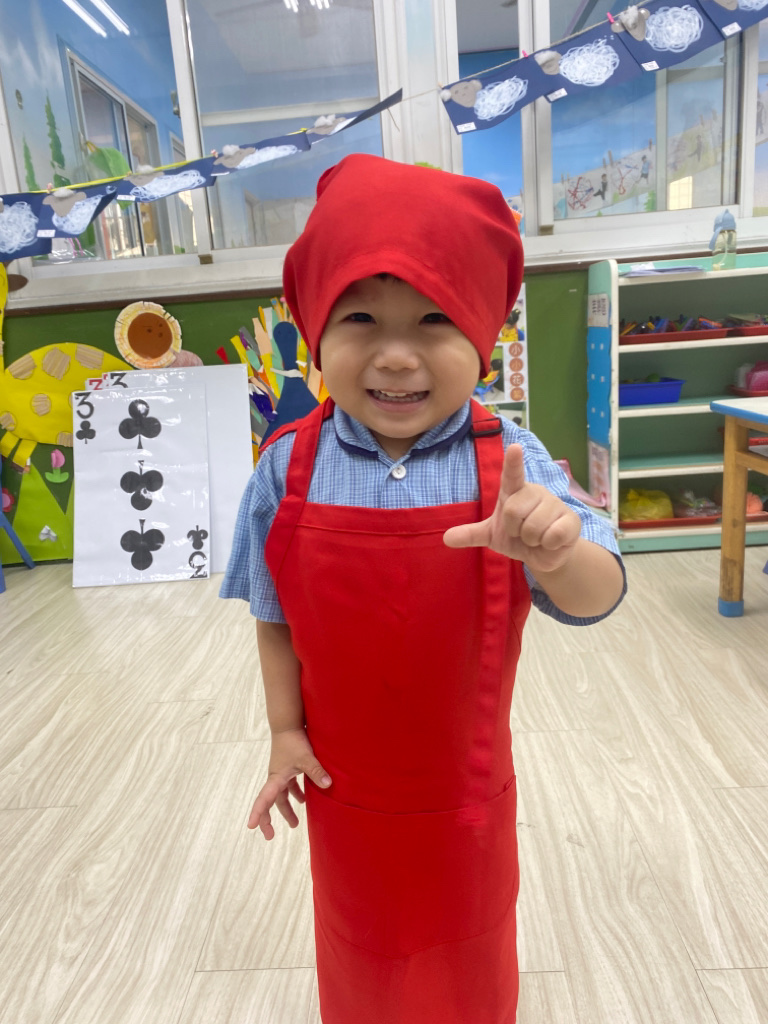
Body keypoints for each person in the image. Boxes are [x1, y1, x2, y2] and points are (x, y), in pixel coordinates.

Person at [220, 154, 626, 1024]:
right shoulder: (287, 467)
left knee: (469, 954)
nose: (398, 354)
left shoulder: (512, 462)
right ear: (314, 330)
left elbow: (597, 596)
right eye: (361, 317)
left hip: (465, 793)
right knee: (359, 950)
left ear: (482, 335)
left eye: (436, 318)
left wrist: (557, 551)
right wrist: (284, 730)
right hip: (342, 790)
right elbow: (272, 611)